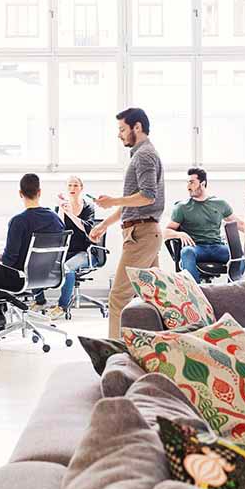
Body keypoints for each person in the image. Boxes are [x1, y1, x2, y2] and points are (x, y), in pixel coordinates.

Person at [0, 173, 64, 348]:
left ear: (20, 193)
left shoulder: (19, 221)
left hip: (17, 278)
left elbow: (9, 261)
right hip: (46, 276)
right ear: (39, 192)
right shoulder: (55, 218)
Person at [89, 108, 164, 339]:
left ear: (137, 127)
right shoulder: (141, 154)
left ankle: (113, 354)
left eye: (122, 129)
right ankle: (159, 345)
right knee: (156, 296)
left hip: (141, 235)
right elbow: (133, 203)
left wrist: (113, 200)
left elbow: (148, 195)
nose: (119, 134)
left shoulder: (143, 155)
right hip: (144, 232)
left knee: (118, 297)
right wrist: (105, 224)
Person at [164, 167, 244, 283]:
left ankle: (233, 288)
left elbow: (240, 224)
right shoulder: (182, 207)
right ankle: (195, 292)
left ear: (202, 183)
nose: (188, 187)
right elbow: (166, 232)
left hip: (217, 247)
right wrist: (179, 234)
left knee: (239, 254)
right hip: (197, 248)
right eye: (188, 183)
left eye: (192, 182)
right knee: (186, 252)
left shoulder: (220, 204)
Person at [44, 176, 97, 320]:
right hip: (66, 251)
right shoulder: (62, 207)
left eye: (75, 185)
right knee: (38, 261)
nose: (72, 188)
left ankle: (62, 306)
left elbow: (86, 228)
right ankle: (39, 301)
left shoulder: (88, 207)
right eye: (70, 186)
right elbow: (59, 229)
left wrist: (70, 214)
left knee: (67, 268)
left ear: (81, 188)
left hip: (85, 252)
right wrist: (62, 209)